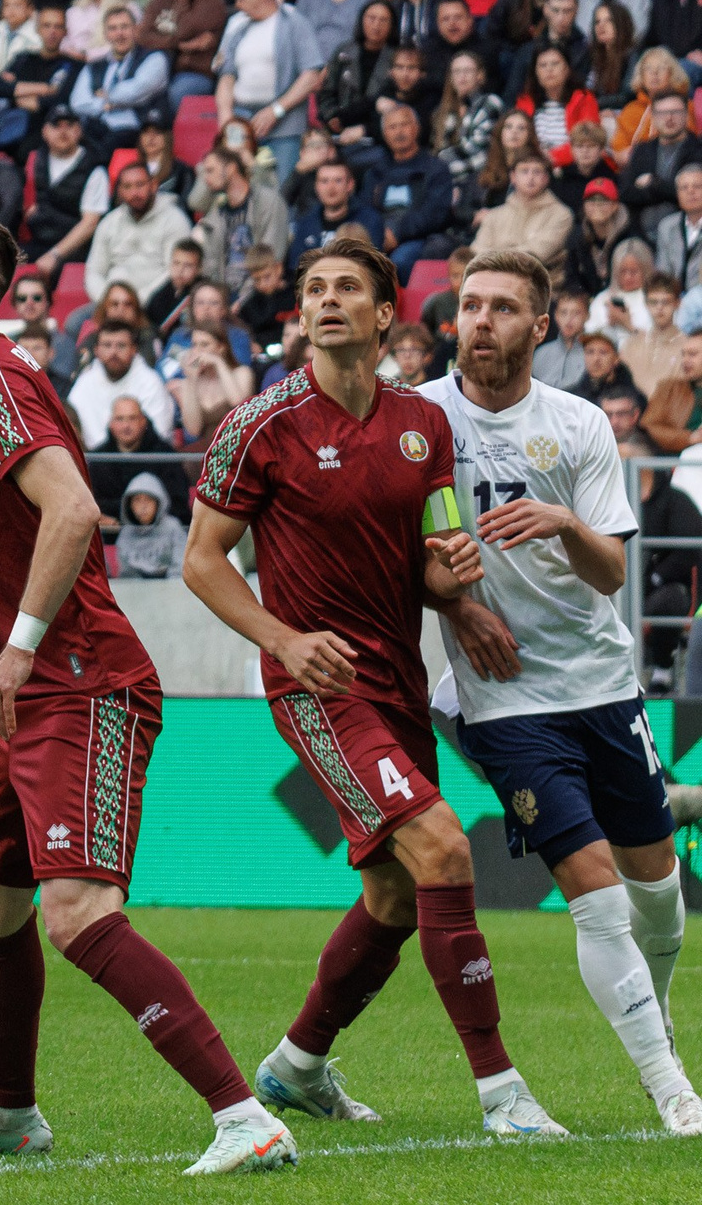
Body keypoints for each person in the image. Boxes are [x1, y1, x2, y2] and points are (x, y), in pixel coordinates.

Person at [0, 203, 296, 1174]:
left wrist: (17, 645)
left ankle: (245, 1114)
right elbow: (29, 536)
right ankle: (10, 1112)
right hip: (26, 684)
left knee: (74, 911)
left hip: (80, 684)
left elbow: (74, 511)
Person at [182, 235, 558, 1137]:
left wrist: (453, 568)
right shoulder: (262, 424)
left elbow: (434, 555)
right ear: (300, 314)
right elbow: (202, 560)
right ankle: (502, 1093)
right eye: (314, 289)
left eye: (348, 288)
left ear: (387, 314)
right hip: (316, 688)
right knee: (443, 847)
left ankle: (298, 1063)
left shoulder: (421, 427)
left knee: (393, 894)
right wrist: (283, 638)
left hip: (398, 681)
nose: (328, 300)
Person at [419, 252, 700, 1135]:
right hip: (499, 697)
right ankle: (672, 1088)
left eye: (503, 307)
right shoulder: (419, 420)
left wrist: (562, 521)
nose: (482, 321)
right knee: (598, 894)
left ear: (541, 326)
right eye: (470, 305)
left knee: (657, 890)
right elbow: (390, 550)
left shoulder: (577, 424)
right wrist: (454, 602)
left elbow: (613, 565)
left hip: (602, 682)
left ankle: (650, 1026)